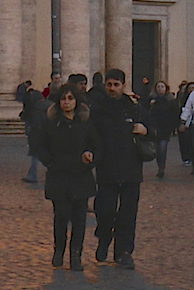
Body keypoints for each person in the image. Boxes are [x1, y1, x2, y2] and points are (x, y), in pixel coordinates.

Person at [90, 69, 147, 270]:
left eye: (116, 85)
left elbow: (153, 129)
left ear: (123, 85)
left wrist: (146, 130)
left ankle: (123, 252)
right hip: (107, 170)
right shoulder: (96, 109)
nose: (112, 88)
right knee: (104, 211)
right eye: (109, 85)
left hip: (131, 169)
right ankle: (104, 237)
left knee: (128, 214)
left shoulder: (134, 108)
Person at [39, 84, 97, 269]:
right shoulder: (51, 123)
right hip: (59, 176)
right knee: (62, 216)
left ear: (77, 101)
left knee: (80, 219)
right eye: (63, 99)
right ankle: (59, 250)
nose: (67, 102)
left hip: (80, 176)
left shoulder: (86, 123)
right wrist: (51, 162)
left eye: (70, 98)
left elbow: (96, 146)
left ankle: (76, 255)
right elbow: (41, 147)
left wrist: (90, 155)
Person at [146, 81, 181, 179]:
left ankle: (162, 168)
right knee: (157, 149)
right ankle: (160, 166)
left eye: (162, 87)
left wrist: (174, 126)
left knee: (162, 148)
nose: (160, 89)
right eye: (158, 87)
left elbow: (175, 113)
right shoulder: (151, 99)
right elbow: (146, 112)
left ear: (166, 88)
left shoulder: (170, 100)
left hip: (166, 128)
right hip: (155, 128)